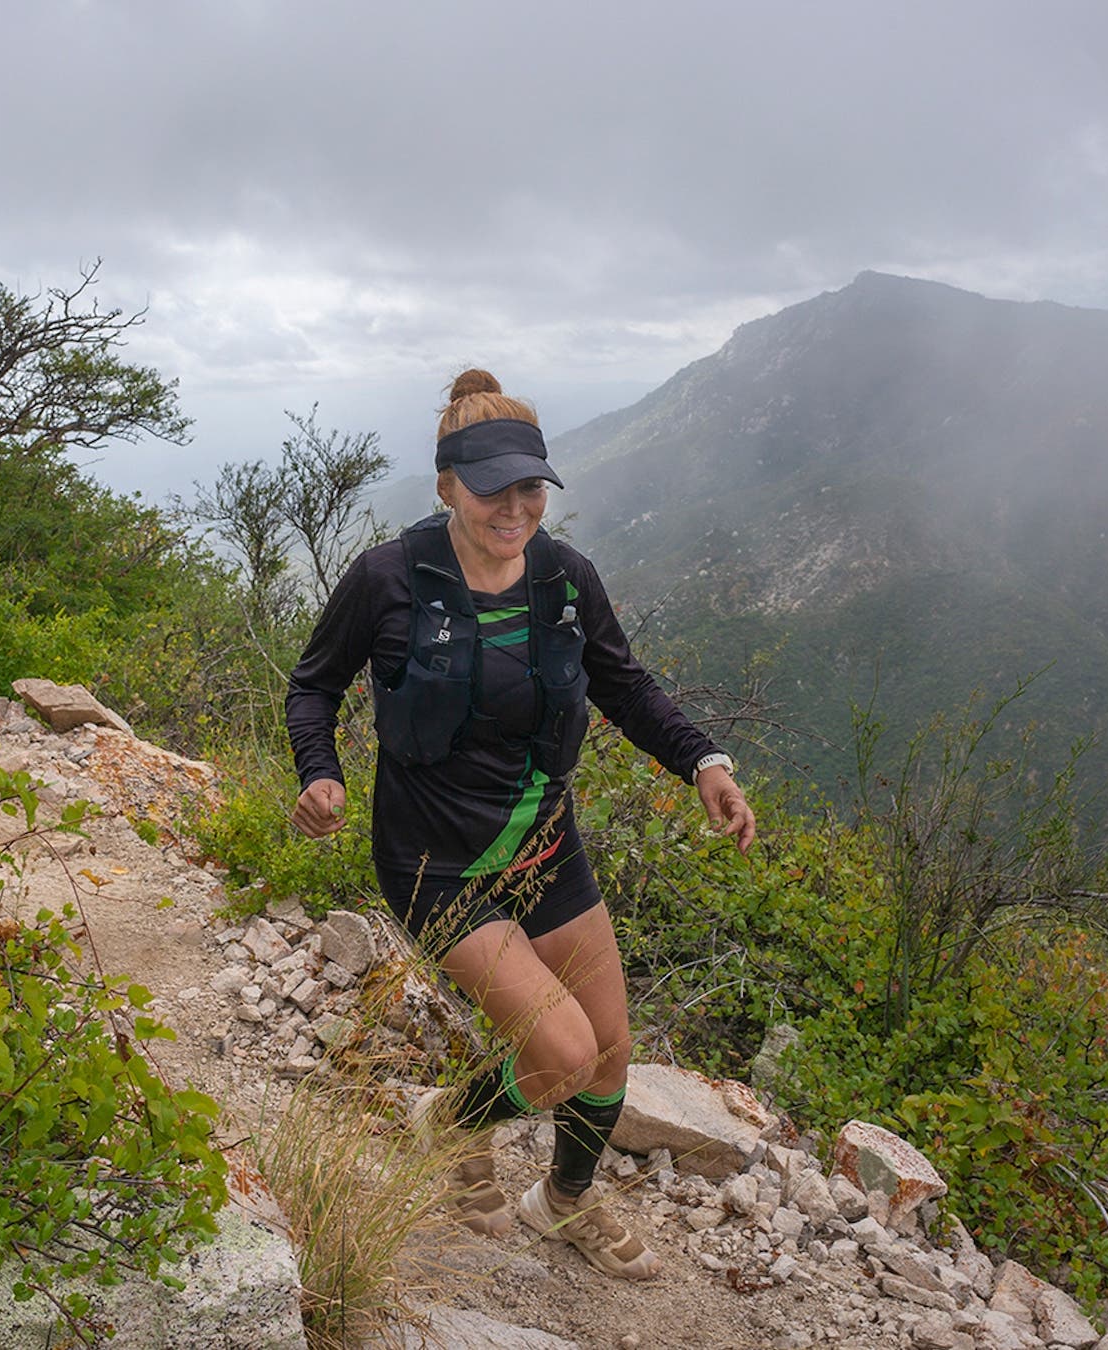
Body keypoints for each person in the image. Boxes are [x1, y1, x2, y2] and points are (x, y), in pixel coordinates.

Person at [285, 368, 756, 1281]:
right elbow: (314, 685)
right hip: (438, 862)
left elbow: (623, 683)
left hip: (544, 843)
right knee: (563, 1053)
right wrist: (319, 773)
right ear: (444, 485)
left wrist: (704, 761)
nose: (514, 507)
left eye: (530, 487)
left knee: (611, 1048)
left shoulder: (565, 578)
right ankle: (445, 1123)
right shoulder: (387, 578)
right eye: (491, 487)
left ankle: (563, 1204)